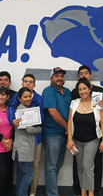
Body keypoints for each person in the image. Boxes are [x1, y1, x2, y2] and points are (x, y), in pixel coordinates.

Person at [67, 78, 103, 196]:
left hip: (92, 140)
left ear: (90, 89)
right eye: (80, 89)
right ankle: (83, 193)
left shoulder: (98, 103)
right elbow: (70, 122)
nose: (82, 91)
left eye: (85, 88)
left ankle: (91, 193)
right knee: (80, 168)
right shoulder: (74, 103)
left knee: (87, 166)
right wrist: (69, 139)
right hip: (76, 141)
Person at [7, 74, 44, 196]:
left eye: (29, 96)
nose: (28, 99)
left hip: (24, 148)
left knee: (22, 174)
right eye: (25, 97)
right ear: (19, 99)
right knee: (28, 174)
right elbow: (29, 129)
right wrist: (38, 129)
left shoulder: (28, 109)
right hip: (23, 149)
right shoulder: (21, 111)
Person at [42, 67, 71, 196]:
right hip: (52, 134)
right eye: (56, 76)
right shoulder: (48, 91)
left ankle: (52, 192)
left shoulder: (68, 92)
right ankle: (52, 194)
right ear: (51, 79)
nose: (60, 78)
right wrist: (68, 127)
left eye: (61, 76)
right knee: (51, 166)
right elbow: (52, 113)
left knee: (58, 165)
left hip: (65, 135)